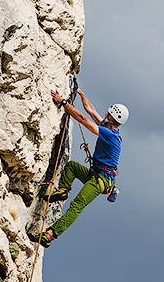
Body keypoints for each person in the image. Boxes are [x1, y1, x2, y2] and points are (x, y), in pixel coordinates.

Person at [29, 87, 129, 247]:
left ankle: (49, 235)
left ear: (111, 117)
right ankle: (62, 192)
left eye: (107, 113)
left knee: (76, 206)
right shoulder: (108, 127)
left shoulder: (111, 135)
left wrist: (63, 103)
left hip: (100, 182)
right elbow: (90, 110)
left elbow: (83, 119)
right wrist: (81, 93)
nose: (104, 114)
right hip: (96, 175)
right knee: (72, 167)